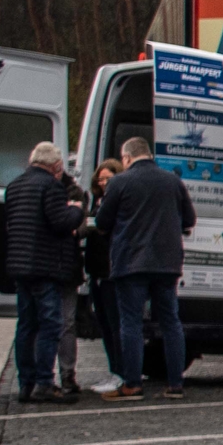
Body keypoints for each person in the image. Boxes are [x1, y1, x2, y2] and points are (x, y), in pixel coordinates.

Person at [92, 135, 194, 399]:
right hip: (167, 262)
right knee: (171, 322)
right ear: (149, 154)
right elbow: (190, 219)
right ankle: (175, 384)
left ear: (126, 158)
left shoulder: (119, 182)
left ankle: (133, 383)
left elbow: (102, 221)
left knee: (131, 323)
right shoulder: (173, 181)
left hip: (131, 262)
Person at [2, 141, 85, 404]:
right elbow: (60, 222)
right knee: (51, 324)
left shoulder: (14, 186)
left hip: (19, 265)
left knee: (26, 325)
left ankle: (25, 382)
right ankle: (44, 382)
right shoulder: (51, 186)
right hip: (45, 266)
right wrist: (75, 210)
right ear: (55, 166)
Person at [81, 158, 125, 390]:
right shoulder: (97, 201)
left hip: (111, 270)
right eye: (101, 179)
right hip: (97, 269)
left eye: (109, 178)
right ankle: (114, 370)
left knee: (115, 324)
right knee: (105, 325)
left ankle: (121, 372)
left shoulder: (119, 202)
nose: (104, 183)